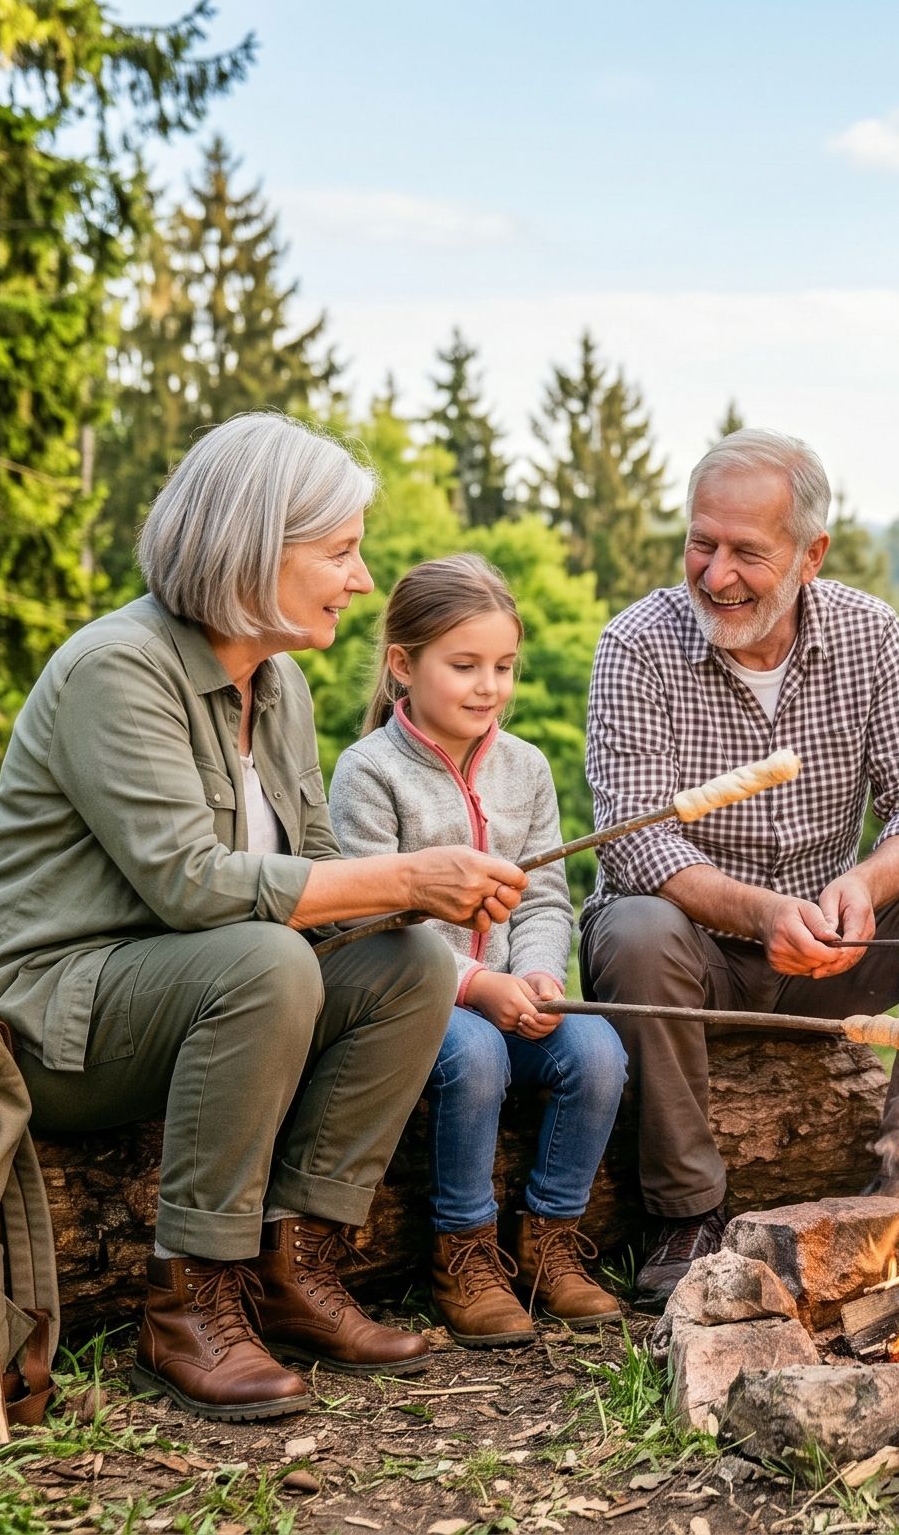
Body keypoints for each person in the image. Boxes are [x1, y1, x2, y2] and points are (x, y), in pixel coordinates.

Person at [0, 414, 530, 1421]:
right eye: (339, 551)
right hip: (41, 1015)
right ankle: (189, 1307)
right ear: (255, 547)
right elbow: (191, 886)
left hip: (181, 986)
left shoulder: (281, 682)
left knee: (412, 966)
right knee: (267, 962)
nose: (357, 576)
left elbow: (317, 867)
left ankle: (297, 1268)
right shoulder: (116, 671)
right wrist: (407, 874)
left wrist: (421, 892)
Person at [580, 427, 899, 1304]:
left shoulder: (869, 633)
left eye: (747, 552)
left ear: (812, 553)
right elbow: (632, 839)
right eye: (702, 543)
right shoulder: (635, 645)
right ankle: (685, 1211)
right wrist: (762, 914)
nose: (715, 573)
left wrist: (862, 886)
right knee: (633, 922)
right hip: (690, 954)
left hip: (830, 953)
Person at [329, 554, 627, 1345]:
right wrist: (471, 988)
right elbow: (372, 921)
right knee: (475, 1055)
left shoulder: (525, 768)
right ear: (403, 665)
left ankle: (550, 1243)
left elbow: (546, 897)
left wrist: (533, 973)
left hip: (506, 992)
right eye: (464, 666)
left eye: (503, 666)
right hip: (412, 1005)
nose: (488, 686)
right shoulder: (369, 773)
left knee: (596, 1049)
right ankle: (462, 1252)